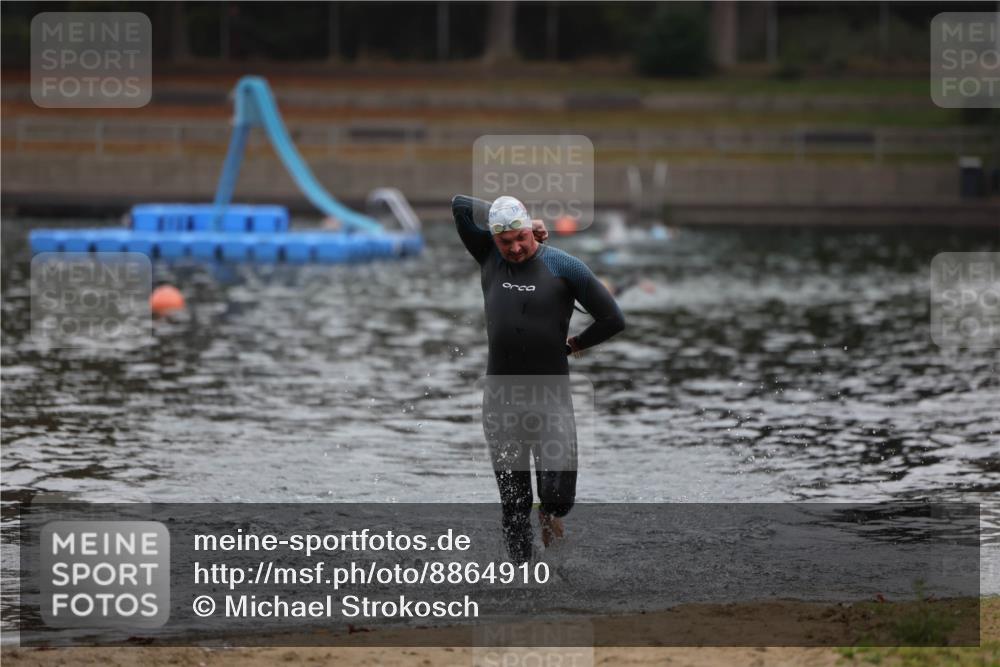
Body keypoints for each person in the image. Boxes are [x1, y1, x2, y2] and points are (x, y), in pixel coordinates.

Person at [452, 194, 625, 563]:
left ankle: (549, 517)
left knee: (558, 497)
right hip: (500, 402)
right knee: (514, 505)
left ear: (532, 232)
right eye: (505, 240)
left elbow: (613, 319)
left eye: (521, 238)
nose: (514, 248)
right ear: (495, 240)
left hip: (550, 401)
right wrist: (506, 215)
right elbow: (459, 205)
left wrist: (574, 344)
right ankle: (525, 581)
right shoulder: (488, 256)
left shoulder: (565, 266)